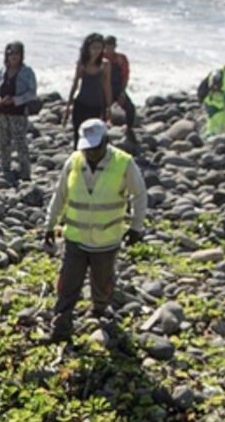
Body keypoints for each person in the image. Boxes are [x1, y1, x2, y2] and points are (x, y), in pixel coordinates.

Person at [42, 119, 147, 343]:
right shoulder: (74, 161)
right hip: (75, 239)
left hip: (106, 240)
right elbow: (59, 195)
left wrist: (136, 227)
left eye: (95, 148)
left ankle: (99, 311)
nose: (90, 153)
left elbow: (139, 195)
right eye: (87, 149)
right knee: (68, 283)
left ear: (106, 142)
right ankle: (60, 325)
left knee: (102, 282)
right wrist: (49, 225)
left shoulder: (123, 163)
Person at [0, 41, 38, 182]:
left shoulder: (27, 72)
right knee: (3, 142)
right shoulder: (2, 71)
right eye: (10, 52)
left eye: (16, 53)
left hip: (18, 112)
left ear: (21, 55)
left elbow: (32, 93)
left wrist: (16, 100)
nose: (13, 56)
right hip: (2, 112)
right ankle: (5, 168)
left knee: (20, 143)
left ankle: (25, 172)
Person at [62, 33, 112, 143]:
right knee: (78, 137)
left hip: (96, 105)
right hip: (81, 104)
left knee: (94, 139)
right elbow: (75, 84)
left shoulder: (105, 65)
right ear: (88, 48)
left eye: (99, 48)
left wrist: (109, 107)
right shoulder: (82, 64)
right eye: (94, 48)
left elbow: (107, 87)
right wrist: (68, 107)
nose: (96, 51)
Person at [102, 36, 137, 148]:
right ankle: (101, 137)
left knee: (130, 108)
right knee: (99, 111)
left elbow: (125, 76)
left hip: (117, 89)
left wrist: (122, 92)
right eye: (107, 46)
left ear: (115, 46)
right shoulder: (100, 58)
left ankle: (129, 132)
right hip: (103, 89)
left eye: (111, 46)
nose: (109, 49)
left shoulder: (121, 59)